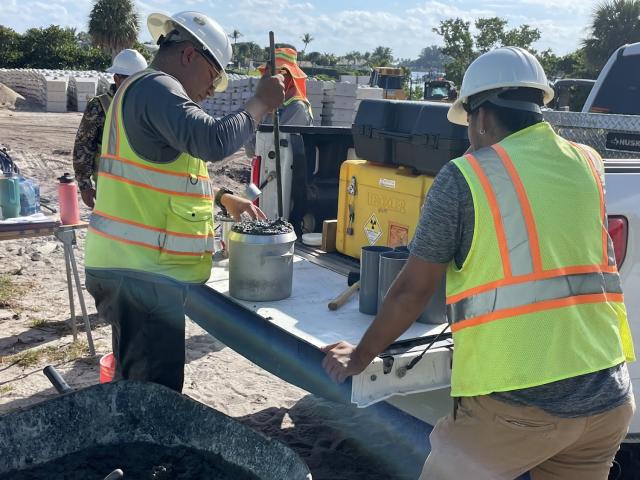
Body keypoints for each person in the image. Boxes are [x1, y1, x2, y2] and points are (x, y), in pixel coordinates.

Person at [322, 47, 635, 480]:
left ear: (483, 117)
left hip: (524, 409)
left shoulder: (466, 175)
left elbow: (414, 290)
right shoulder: (587, 163)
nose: (469, 134)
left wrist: (359, 356)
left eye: (468, 121)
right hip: (609, 400)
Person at [84, 11, 285, 393]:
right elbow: (211, 141)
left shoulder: (149, 94)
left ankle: (140, 448)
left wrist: (225, 197)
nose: (212, 91)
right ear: (190, 55)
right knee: (154, 397)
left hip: (138, 272)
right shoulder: (155, 87)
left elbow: (161, 178)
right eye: (213, 77)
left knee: (143, 387)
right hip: (139, 274)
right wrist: (259, 103)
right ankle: (146, 453)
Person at [72, 49, 148, 208]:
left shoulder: (146, 105)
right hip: (109, 185)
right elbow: (84, 145)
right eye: (131, 80)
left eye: (140, 80)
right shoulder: (100, 105)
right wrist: (85, 186)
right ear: (117, 79)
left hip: (143, 185)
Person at [244, 46, 313, 157]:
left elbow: (270, 149)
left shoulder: (296, 108)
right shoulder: (275, 103)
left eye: (273, 75)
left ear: (286, 75)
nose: (269, 80)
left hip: (286, 172)